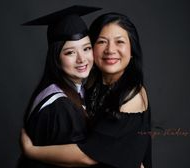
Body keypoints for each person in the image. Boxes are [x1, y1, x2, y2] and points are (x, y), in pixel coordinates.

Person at [21, 12, 152, 168]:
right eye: (102, 41)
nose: (110, 49)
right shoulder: (83, 90)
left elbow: (88, 155)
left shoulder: (131, 95)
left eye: (120, 42)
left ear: (132, 51)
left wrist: (31, 151)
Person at [17, 5, 101, 168]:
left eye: (86, 48)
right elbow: (82, 159)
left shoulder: (75, 91)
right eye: (70, 52)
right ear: (56, 57)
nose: (81, 59)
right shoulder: (59, 107)